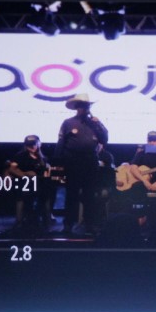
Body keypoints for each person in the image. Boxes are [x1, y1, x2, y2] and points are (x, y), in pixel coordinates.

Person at [55, 93, 109, 234]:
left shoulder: (95, 124)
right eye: (83, 106)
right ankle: (68, 225)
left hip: (90, 162)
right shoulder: (68, 123)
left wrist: (99, 124)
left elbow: (105, 139)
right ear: (77, 107)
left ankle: (89, 224)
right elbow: (61, 143)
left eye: (87, 106)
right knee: (71, 195)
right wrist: (58, 162)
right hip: (72, 162)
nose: (85, 108)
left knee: (89, 195)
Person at [5, 134, 53, 231]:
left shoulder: (43, 158)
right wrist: (25, 174)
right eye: (29, 145)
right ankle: (19, 221)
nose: (32, 147)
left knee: (47, 194)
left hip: (40, 185)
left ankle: (47, 221)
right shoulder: (20, 156)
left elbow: (46, 173)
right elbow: (11, 169)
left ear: (39, 144)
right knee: (22, 196)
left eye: (34, 144)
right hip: (24, 185)